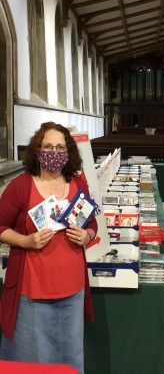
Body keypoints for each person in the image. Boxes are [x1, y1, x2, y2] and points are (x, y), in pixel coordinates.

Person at [0, 122, 97, 374]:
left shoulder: (77, 185)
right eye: (47, 147)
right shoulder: (21, 186)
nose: (53, 152)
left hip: (72, 291)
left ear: (68, 153)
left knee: (69, 358)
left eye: (59, 147)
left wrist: (86, 235)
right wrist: (25, 241)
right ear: (37, 150)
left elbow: (93, 223)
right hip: (33, 291)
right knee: (33, 360)